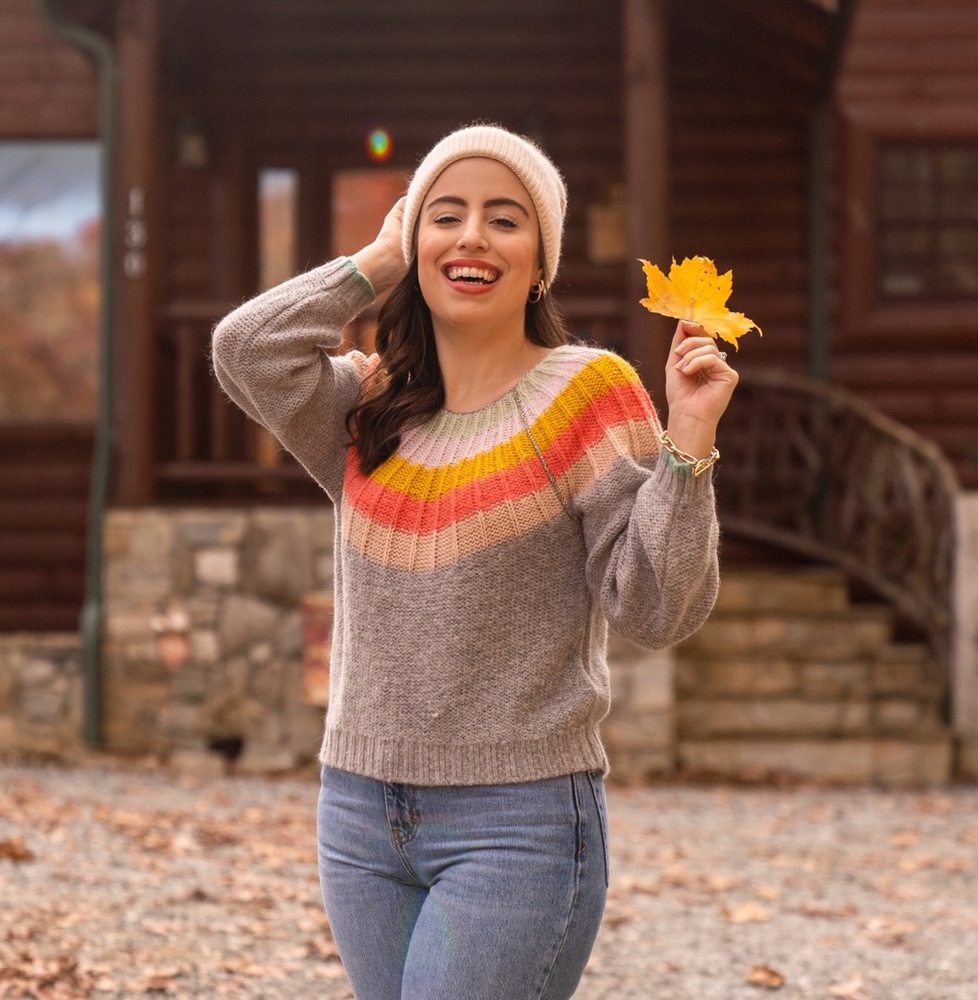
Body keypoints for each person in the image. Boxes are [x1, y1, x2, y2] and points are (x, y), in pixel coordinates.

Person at [212, 123, 737, 1000]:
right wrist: (375, 261)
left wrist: (688, 444)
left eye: (505, 219)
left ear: (540, 261)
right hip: (358, 816)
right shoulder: (368, 405)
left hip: (519, 821)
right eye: (445, 215)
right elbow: (244, 349)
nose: (472, 238)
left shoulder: (589, 392)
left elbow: (656, 608)